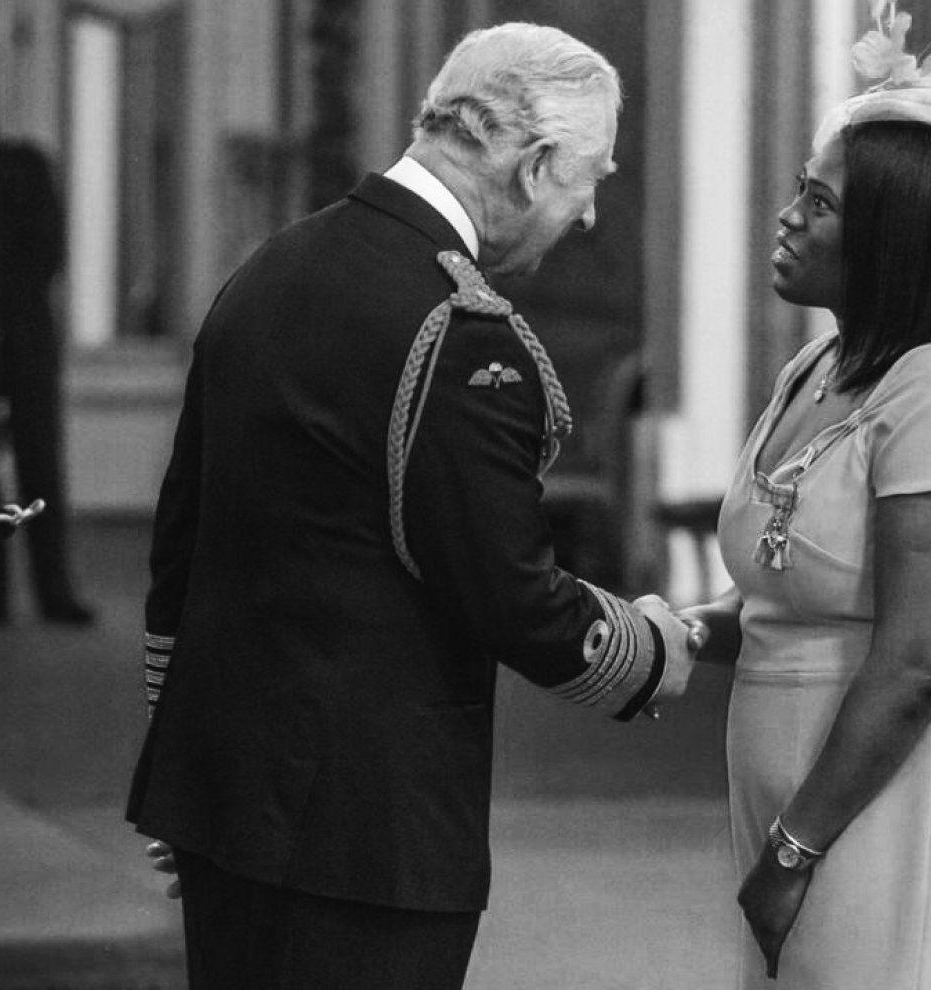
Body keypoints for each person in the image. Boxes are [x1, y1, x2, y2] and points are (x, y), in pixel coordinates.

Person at [126, 23, 695, 990]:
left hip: (226, 799)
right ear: (533, 164)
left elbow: (180, 552)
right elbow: (511, 593)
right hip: (366, 833)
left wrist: (191, 774)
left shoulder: (268, 269)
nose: (590, 212)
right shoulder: (459, 330)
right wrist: (649, 649)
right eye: (589, 177)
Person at [678, 7, 931, 986]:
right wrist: (676, 632)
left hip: (891, 796)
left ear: (895, 236)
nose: (788, 216)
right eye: (800, 191)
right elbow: (794, 588)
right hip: (800, 799)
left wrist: (796, 847)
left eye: (820, 204)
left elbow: (919, 657)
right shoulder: (817, 367)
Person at [0, 137, 95, 625]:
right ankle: (43, 591)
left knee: (18, 463)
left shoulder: (24, 165)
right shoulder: (27, 165)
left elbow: (51, 250)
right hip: (24, 324)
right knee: (34, 462)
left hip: (17, 325)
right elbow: (52, 250)